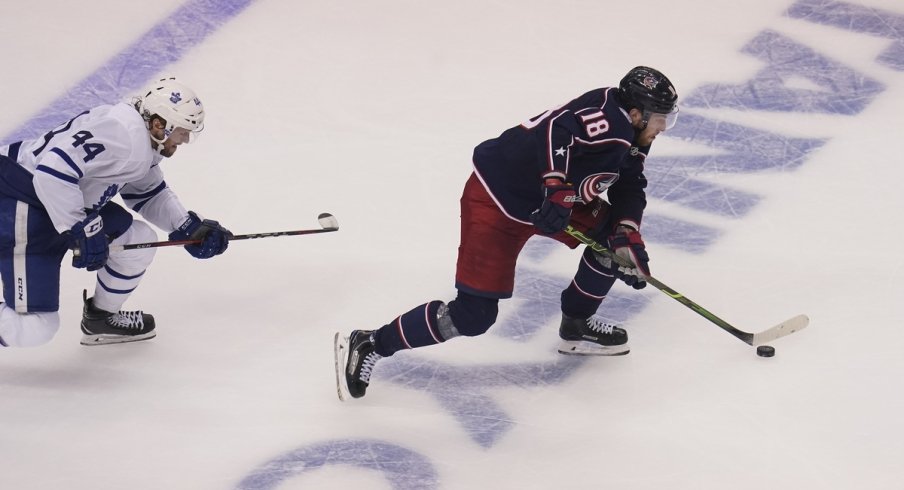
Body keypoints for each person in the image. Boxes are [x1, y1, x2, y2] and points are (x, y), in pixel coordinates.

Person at [334, 66, 679, 400]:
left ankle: (576, 324)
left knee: (610, 246)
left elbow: (631, 181)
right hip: (497, 200)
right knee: (473, 316)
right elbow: (557, 129)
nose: (663, 127)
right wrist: (555, 184)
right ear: (636, 114)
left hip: (552, 201)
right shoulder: (612, 124)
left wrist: (626, 230)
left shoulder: (632, 132)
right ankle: (372, 343)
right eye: (660, 118)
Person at [0, 77, 232, 348]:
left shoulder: (140, 139)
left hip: (57, 206)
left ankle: (100, 318)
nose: (185, 139)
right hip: (21, 205)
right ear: (159, 124)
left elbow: (147, 192)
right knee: (34, 327)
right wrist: (81, 227)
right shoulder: (122, 136)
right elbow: (52, 171)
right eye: (182, 132)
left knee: (137, 242)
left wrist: (187, 227)